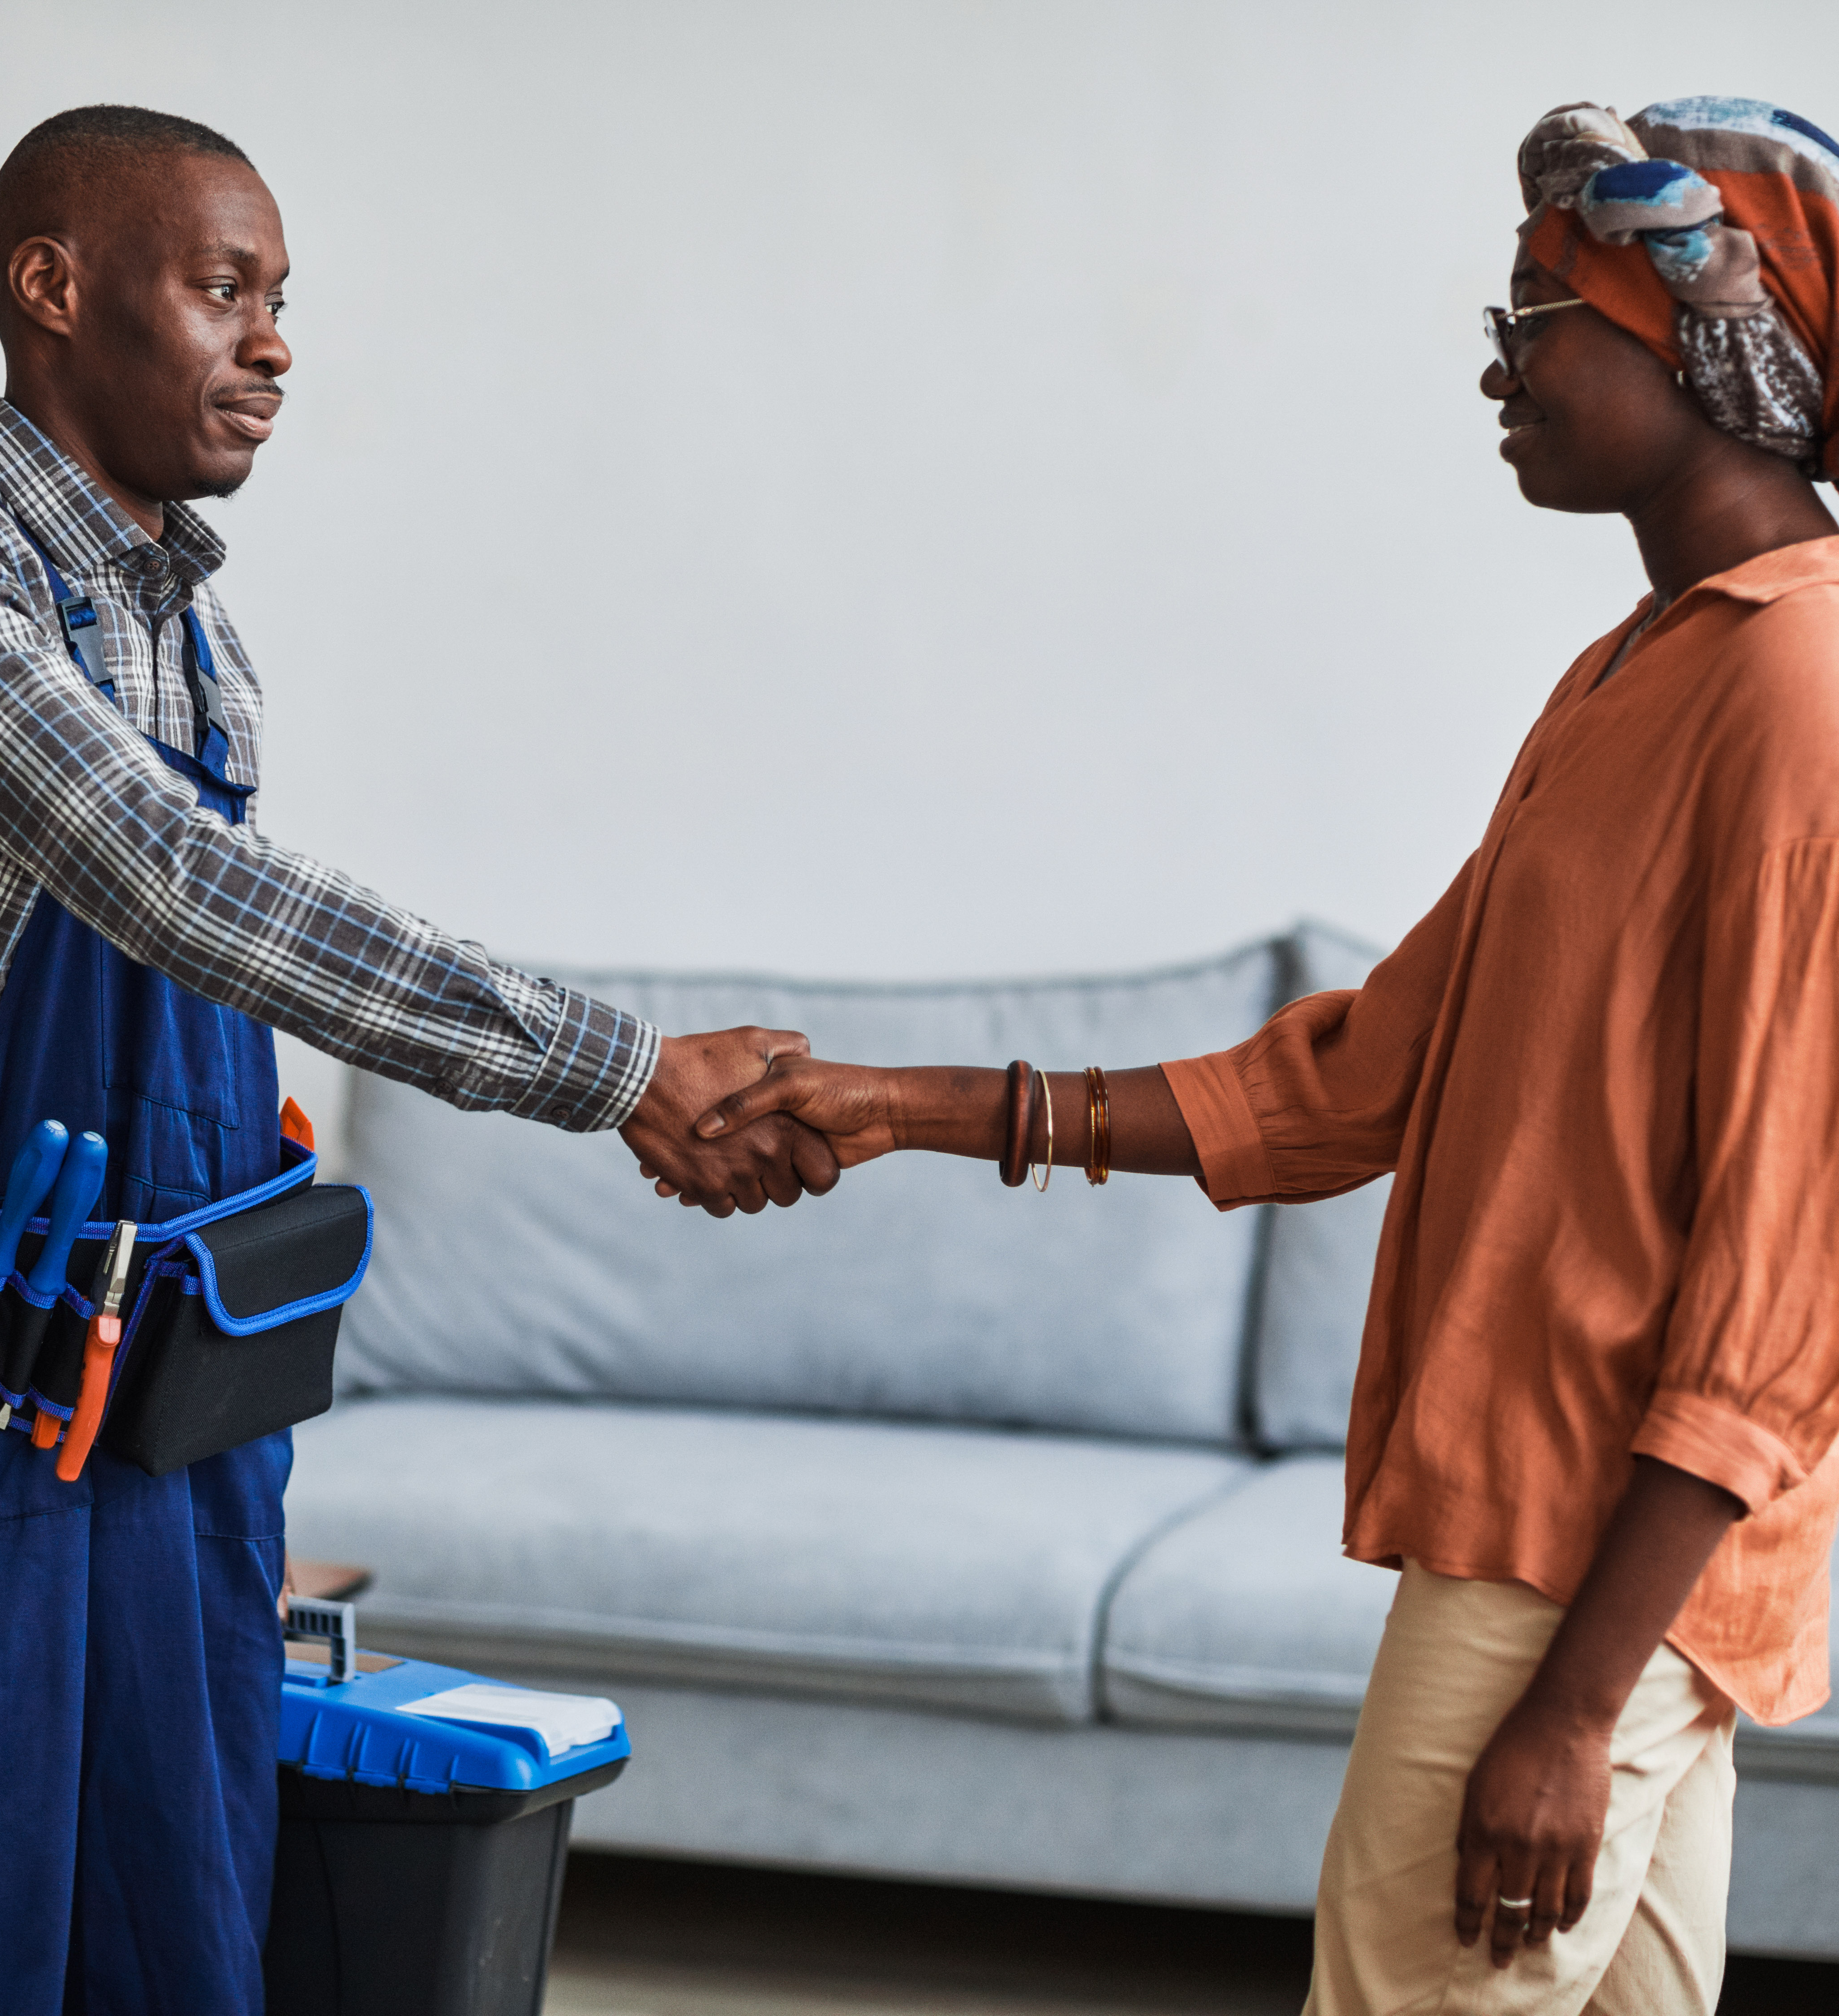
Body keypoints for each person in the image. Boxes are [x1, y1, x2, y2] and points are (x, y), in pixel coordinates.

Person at [691, 97, 1839, 2016]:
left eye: (1537, 316)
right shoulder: (1644, 669)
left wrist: (1564, 1705)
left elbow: (1788, 1283)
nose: (1497, 368)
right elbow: (1349, 1081)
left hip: (1582, 1574)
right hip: (1587, 1565)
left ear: (1702, 341)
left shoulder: (1798, 702)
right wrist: (896, 1105)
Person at [0, 104, 835, 2013]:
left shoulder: (196, 626)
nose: (275, 343)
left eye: (283, 300)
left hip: (182, 1430)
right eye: (226, 290)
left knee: (183, 1940)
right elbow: (177, 887)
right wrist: (617, 1069)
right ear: (51, 289)